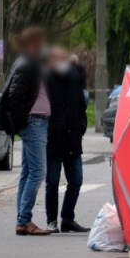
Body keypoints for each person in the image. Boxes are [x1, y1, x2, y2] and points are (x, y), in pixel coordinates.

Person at [0, 27, 52, 236]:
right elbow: (15, 96)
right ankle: (24, 220)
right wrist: (23, 123)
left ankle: (22, 217)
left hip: (37, 122)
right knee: (38, 172)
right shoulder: (28, 64)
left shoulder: (32, 63)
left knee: (28, 172)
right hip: (34, 123)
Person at [45, 47, 89, 233]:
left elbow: (81, 106)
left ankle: (67, 219)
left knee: (76, 180)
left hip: (72, 137)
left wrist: (80, 128)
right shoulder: (46, 79)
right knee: (53, 182)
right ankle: (51, 221)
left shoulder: (73, 78)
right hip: (53, 139)